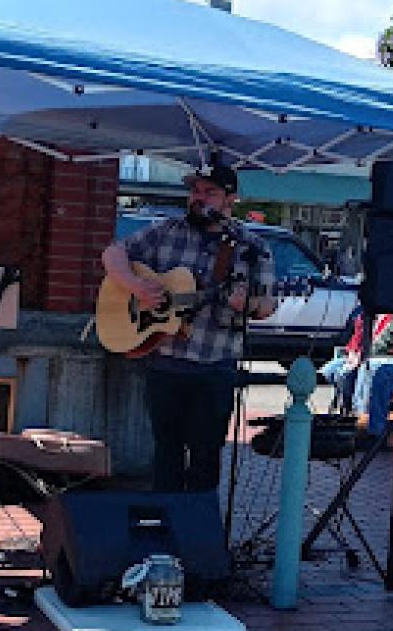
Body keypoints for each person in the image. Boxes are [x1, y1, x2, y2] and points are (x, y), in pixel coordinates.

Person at [100, 158, 276, 493]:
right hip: (165, 361)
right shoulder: (166, 231)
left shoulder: (252, 247)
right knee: (165, 454)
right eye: (195, 190)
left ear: (230, 200)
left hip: (215, 367)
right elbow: (113, 253)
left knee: (205, 458)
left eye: (209, 192)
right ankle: (165, 531)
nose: (198, 197)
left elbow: (266, 306)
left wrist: (247, 303)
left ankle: (197, 534)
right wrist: (135, 286)